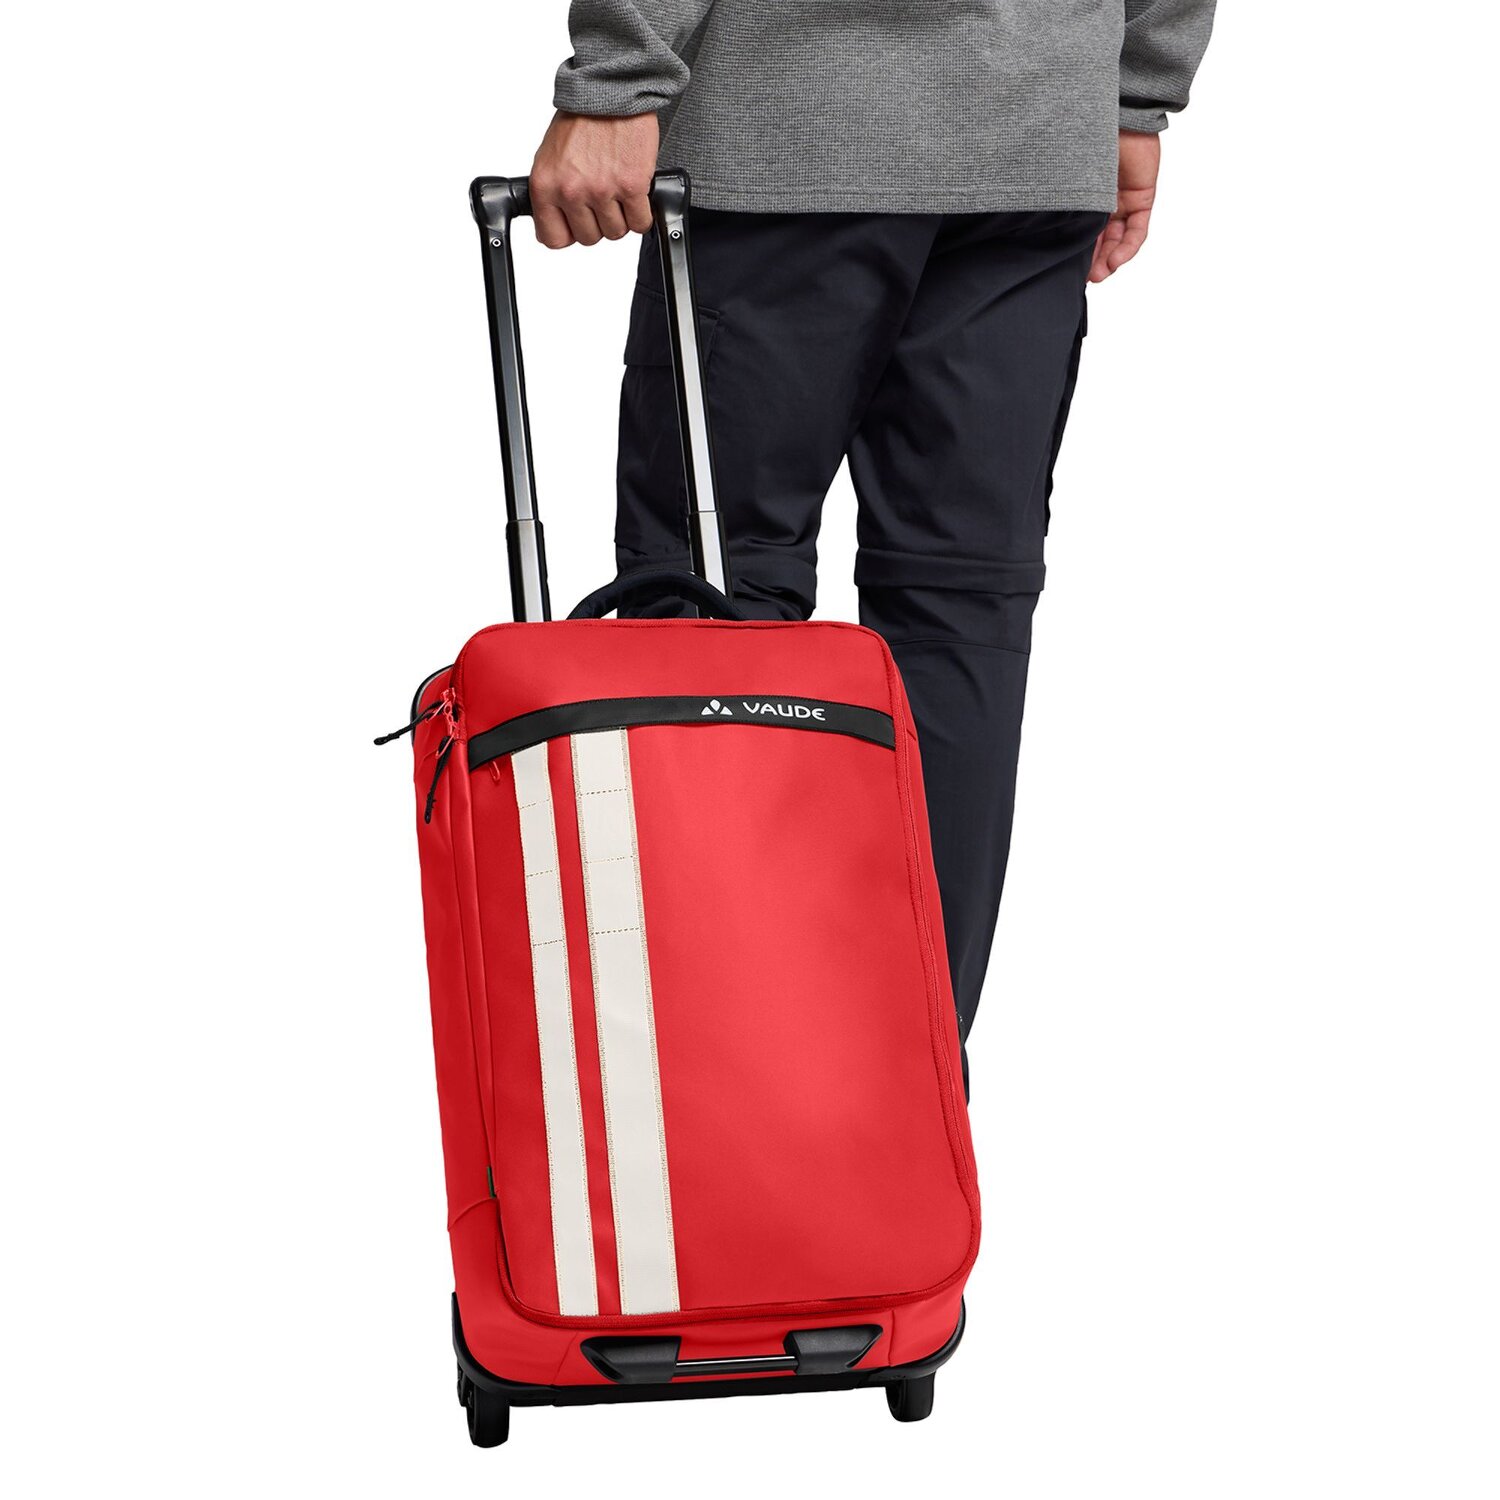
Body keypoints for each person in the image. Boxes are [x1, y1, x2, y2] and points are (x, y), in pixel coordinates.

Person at [528, 2, 1216, 1050]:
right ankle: (896, 1111)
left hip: (792, 124)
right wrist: (1134, 91)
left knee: (713, 597)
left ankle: (733, 1093)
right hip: (1033, 131)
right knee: (958, 609)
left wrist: (621, 75)